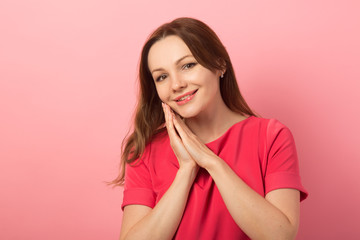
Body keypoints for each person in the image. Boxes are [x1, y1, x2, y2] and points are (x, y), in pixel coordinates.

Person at [111, 17, 308, 240]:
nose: (176, 85)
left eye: (188, 65)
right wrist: (186, 170)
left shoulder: (271, 137)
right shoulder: (144, 151)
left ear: (219, 64)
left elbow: (279, 236)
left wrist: (212, 163)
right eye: (162, 76)